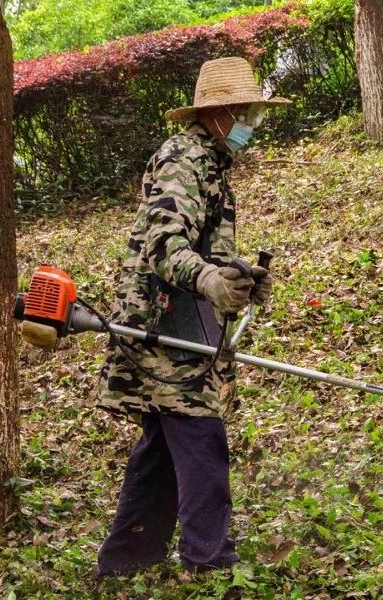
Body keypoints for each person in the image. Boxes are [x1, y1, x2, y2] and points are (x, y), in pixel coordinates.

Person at [96, 56, 291, 576]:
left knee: (163, 441)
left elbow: (205, 247)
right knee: (199, 430)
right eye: (247, 112)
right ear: (220, 112)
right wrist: (206, 281)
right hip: (160, 324)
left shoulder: (213, 160)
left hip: (181, 319)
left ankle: (126, 559)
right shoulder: (184, 158)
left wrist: (238, 276)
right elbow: (164, 242)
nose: (253, 123)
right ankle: (211, 563)